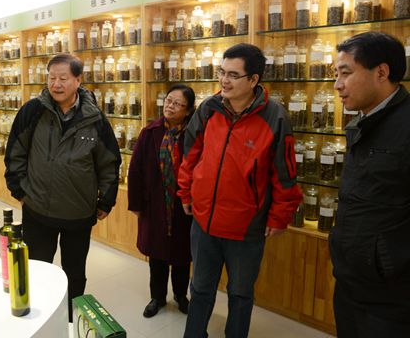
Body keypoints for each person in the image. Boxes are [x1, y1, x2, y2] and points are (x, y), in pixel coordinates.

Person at [177, 43, 302, 338]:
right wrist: (185, 192)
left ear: (254, 79)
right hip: (204, 221)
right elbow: (190, 155)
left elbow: (284, 174)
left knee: (241, 294)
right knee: (200, 289)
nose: (224, 80)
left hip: (246, 227)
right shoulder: (209, 108)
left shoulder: (275, 117)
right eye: (222, 72)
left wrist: (279, 216)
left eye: (233, 75)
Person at [4, 53, 121, 321]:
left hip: (78, 213)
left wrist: (106, 200)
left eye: (63, 78)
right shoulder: (33, 111)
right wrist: (19, 191)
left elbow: (109, 162)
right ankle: (39, 319)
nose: (56, 84)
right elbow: (15, 153)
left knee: (75, 273)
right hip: (38, 210)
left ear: (78, 80)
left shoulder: (95, 118)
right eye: (52, 78)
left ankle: (69, 319)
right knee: (36, 268)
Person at [329, 32, 410, 337]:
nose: (337, 85)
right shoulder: (363, 121)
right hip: (352, 281)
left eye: (346, 73)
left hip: (392, 296)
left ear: (381, 72)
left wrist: (392, 263)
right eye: (336, 74)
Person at [128, 84, 195, 318]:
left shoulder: (194, 134)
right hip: (154, 204)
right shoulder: (150, 132)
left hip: (184, 205)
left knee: (182, 254)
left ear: (188, 110)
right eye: (168, 101)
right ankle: (157, 297)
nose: (170, 106)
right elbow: (135, 170)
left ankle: (180, 295)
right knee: (156, 254)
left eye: (177, 103)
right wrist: (136, 203)